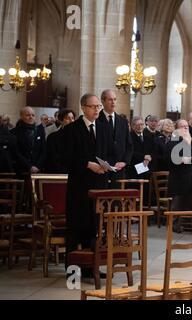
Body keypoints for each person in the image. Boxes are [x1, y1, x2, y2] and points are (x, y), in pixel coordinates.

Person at [63, 94, 113, 277]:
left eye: (98, 106)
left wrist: (107, 165)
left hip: (99, 185)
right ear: (83, 108)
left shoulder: (103, 127)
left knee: (94, 227)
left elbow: (108, 151)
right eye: (93, 107)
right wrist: (87, 164)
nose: (97, 110)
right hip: (79, 186)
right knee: (76, 227)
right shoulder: (72, 129)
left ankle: (92, 267)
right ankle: (72, 271)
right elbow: (66, 157)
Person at [166, 120, 192, 231]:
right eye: (182, 126)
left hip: (189, 175)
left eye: (186, 127)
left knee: (187, 201)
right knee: (177, 201)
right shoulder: (173, 142)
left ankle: (186, 223)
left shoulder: (190, 141)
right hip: (178, 176)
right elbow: (174, 159)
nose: (185, 128)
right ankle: (173, 224)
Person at [98, 89, 133, 186]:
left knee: (117, 199)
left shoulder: (123, 121)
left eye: (115, 99)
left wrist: (124, 162)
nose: (113, 102)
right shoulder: (96, 120)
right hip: (101, 170)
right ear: (103, 101)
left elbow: (129, 146)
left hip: (119, 171)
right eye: (110, 100)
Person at [11, 107, 46, 175]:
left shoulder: (39, 131)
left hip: (37, 169)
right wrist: (29, 166)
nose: (31, 117)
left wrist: (37, 166)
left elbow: (43, 150)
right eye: (28, 115)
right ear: (21, 116)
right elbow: (16, 152)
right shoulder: (14, 132)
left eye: (33, 115)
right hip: (21, 169)